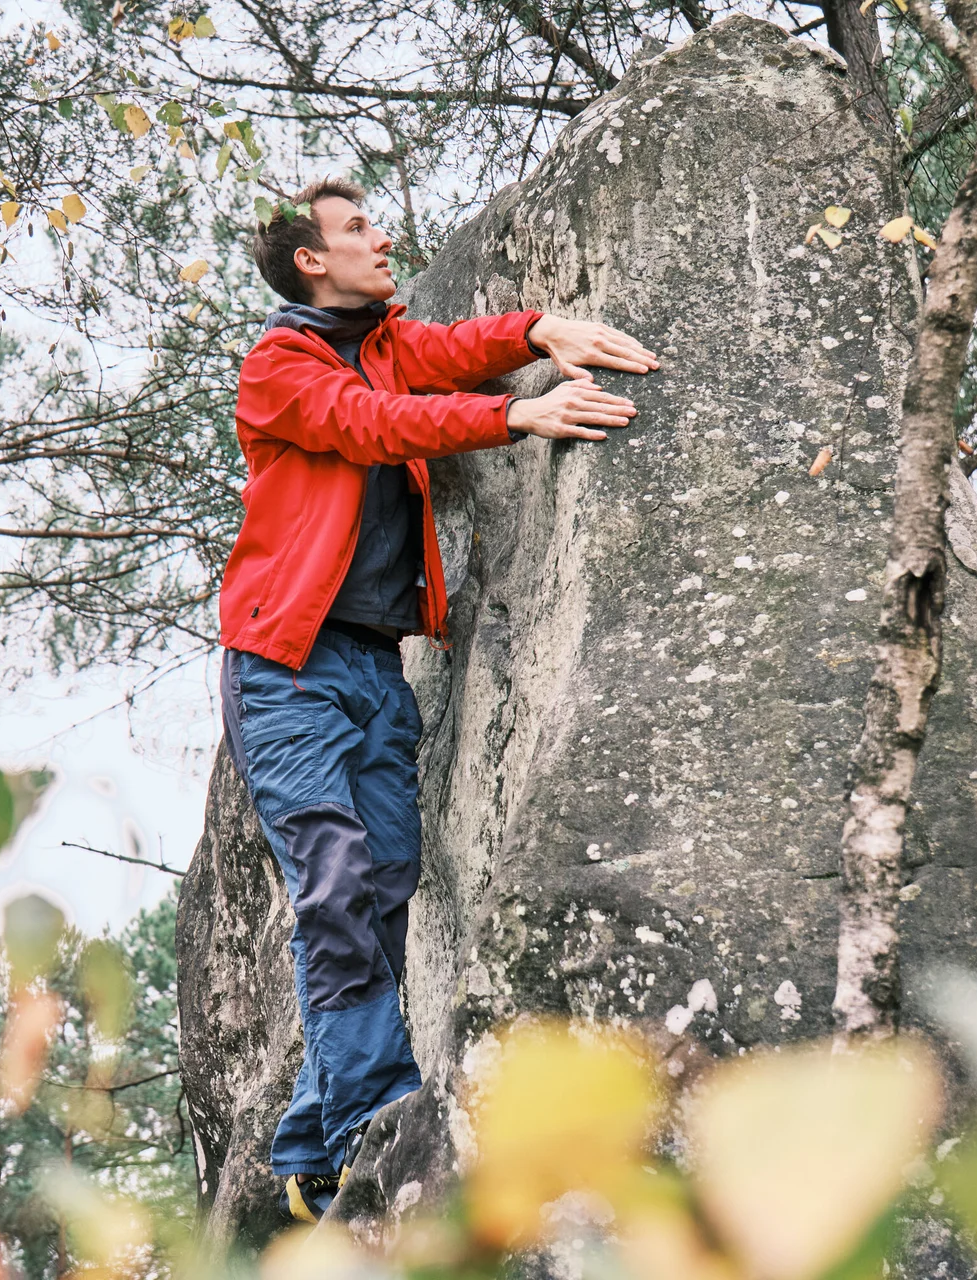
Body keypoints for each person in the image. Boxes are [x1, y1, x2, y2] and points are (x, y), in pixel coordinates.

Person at [220, 178, 657, 1222]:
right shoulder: (282, 366)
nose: (382, 239)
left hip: (374, 665)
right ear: (311, 261)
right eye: (358, 229)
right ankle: (375, 1111)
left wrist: (540, 327)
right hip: (286, 666)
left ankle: (304, 1140)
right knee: (331, 880)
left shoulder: (382, 340)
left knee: (383, 884)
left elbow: (450, 350)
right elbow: (369, 425)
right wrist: (519, 414)